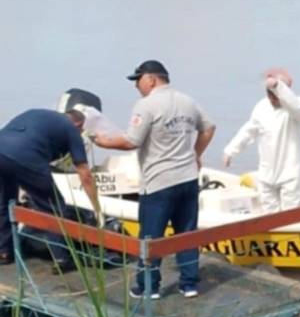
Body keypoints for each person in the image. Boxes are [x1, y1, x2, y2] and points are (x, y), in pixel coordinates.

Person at [92, 60, 216, 299]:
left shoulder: (146, 105)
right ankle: (189, 284)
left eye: (137, 80)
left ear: (151, 79)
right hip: (188, 178)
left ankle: (149, 287)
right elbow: (208, 128)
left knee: (150, 236)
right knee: (187, 233)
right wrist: (196, 155)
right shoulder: (187, 101)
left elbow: (131, 141)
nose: (136, 86)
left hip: (158, 183)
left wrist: (103, 142)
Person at [0, 107, 101, 268]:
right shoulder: (71, 129)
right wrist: (97, 208)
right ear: (79, 124)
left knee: (6, 200)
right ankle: (62, 259)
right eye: (81, 129)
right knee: (53, 206)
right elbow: (85, 173)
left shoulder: (42, 116)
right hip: (25, 154)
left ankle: (5, 251)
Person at [222, 68, 300, 213]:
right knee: (270, 218)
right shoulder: (261, 107)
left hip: (290, 176)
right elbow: (248, 131)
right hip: (266, 175)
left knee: (290, 218)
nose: (272, 97)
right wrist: (230, 151)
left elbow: (296, 107)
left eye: (275, 93)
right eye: (268, 93)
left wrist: (277, 86)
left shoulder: (297, 107)